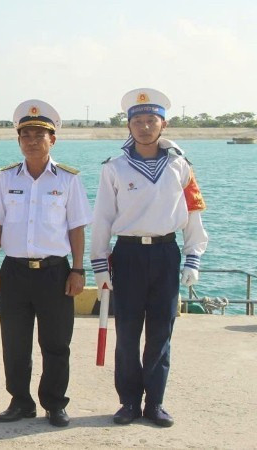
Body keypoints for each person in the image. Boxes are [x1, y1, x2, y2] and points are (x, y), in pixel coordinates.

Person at [91, 88, 207, 428]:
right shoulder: (114, 168)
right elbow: (102, 218)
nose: (144, 127)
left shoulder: (180, 166)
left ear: (163, 123)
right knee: (127, 333)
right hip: (127, 255)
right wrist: (100, 264)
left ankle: (155, 402)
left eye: (151, 120)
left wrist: (193, 257)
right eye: (137, 121)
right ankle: (128, 402)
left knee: (161, 332)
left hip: (165, 253)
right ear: (128, 125)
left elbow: (194, 213)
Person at [0, 100, 92, 427]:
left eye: (39, 135)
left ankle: (55, 403)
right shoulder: (6, 179)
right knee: (15, 343)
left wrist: (77, 269)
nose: (32, 140)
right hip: (15, 271)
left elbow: (76, 227)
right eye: (26, 134)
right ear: (18, 140)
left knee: (56, 343)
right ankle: (20, 401)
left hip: (55, 272)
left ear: (52, 140)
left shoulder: (67, 180)